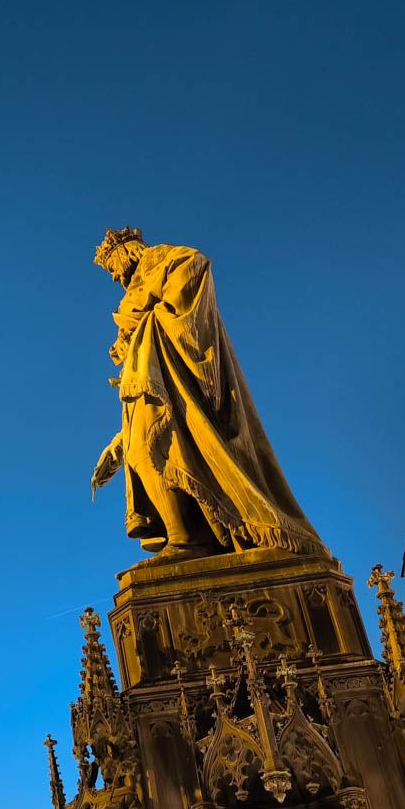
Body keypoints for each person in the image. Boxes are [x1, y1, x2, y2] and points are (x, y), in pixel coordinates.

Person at [91, 228, 320, 560]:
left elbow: (195, 266)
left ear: (126, 251)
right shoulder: (141, 313)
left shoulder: (164, 262)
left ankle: (186, 541)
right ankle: (184, 537)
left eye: (112, 265)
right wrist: (118, 443)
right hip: (151, 392)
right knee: (140, 452)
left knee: (152, 450)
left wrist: (146, 314)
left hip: (176, 389)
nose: (115, 277)